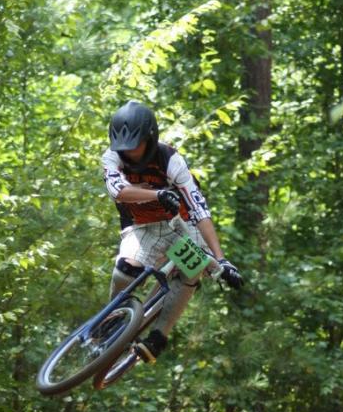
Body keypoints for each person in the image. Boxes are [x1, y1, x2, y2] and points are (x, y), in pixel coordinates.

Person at [102, 100, 243, 363]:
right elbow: (117, 191)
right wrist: (157, 194)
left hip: (182, 224)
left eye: (136, 145)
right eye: (124, 147)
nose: (129, 153)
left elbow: (200, 209)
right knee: (125, 270)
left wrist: (221, 259)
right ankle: (111, 320)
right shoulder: (112, 156)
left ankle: (158, 337)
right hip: (143, 226)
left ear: (150, 138)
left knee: (192, 267)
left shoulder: (171, 161)